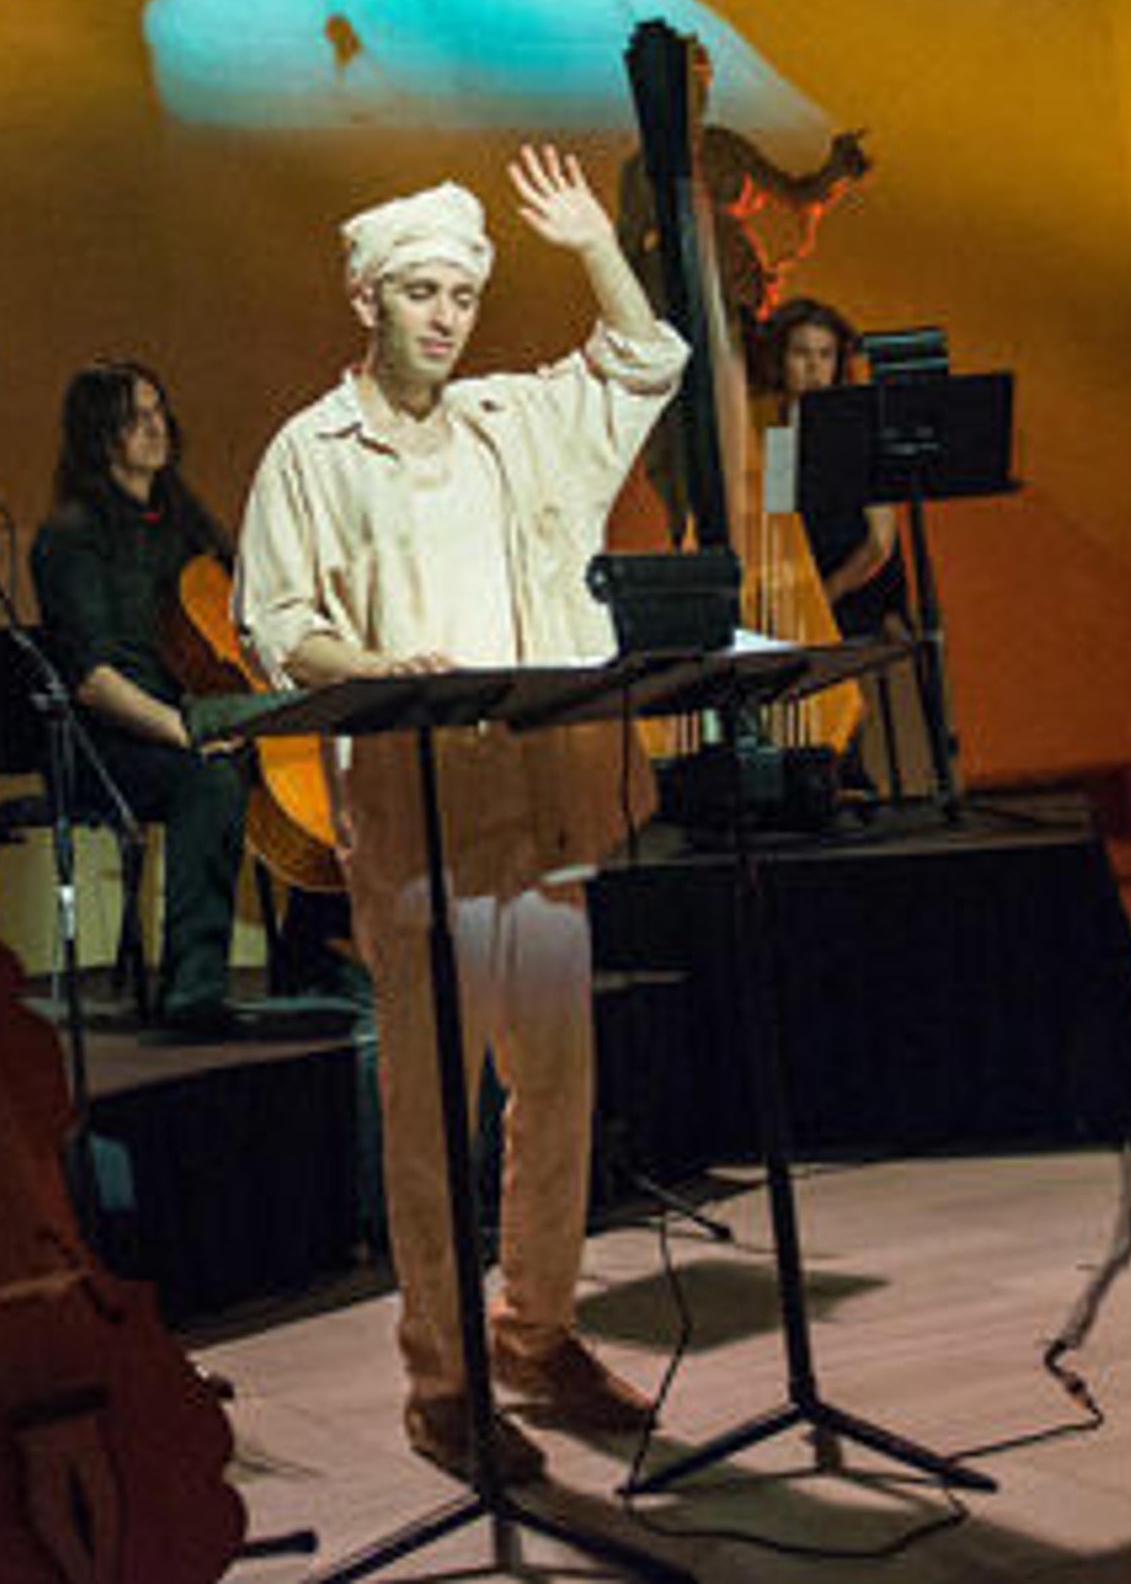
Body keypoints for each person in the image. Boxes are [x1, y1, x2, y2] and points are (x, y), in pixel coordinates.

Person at [235, 147, 685, 1483]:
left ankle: (536, 1333)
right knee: (436, 1114)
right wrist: (373, 671)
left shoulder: (511, 419)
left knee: (557, 1088)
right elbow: (281, 626)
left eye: (462, 294)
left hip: (539, 798)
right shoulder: (313, 453)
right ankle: (444, 1378)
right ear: (367, 297)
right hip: (419, 805)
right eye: (421, 290)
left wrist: (596, 241)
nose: (445, 314)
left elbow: (643, 359)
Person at [26, 361, 259, 1038]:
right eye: (136, 417)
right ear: (101, 436)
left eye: (159, 411)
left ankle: (314, 955)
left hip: (187, 713)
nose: (156, 427)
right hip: (109, 740)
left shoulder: (180, 518)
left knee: (309, 753)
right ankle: (193, 991)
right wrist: (183, 732)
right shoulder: (71, 535)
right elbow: (94, 680)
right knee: (211, 780)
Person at [756, 297, 904, 639]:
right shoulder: (779, 433)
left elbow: (880, 544)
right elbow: (782, 527)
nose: (814, 367)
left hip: (860, 596)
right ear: (781, 361)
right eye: (801, 353)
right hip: (810, 594)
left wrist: (825, 595)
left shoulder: (857, 432)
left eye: (825, 355)